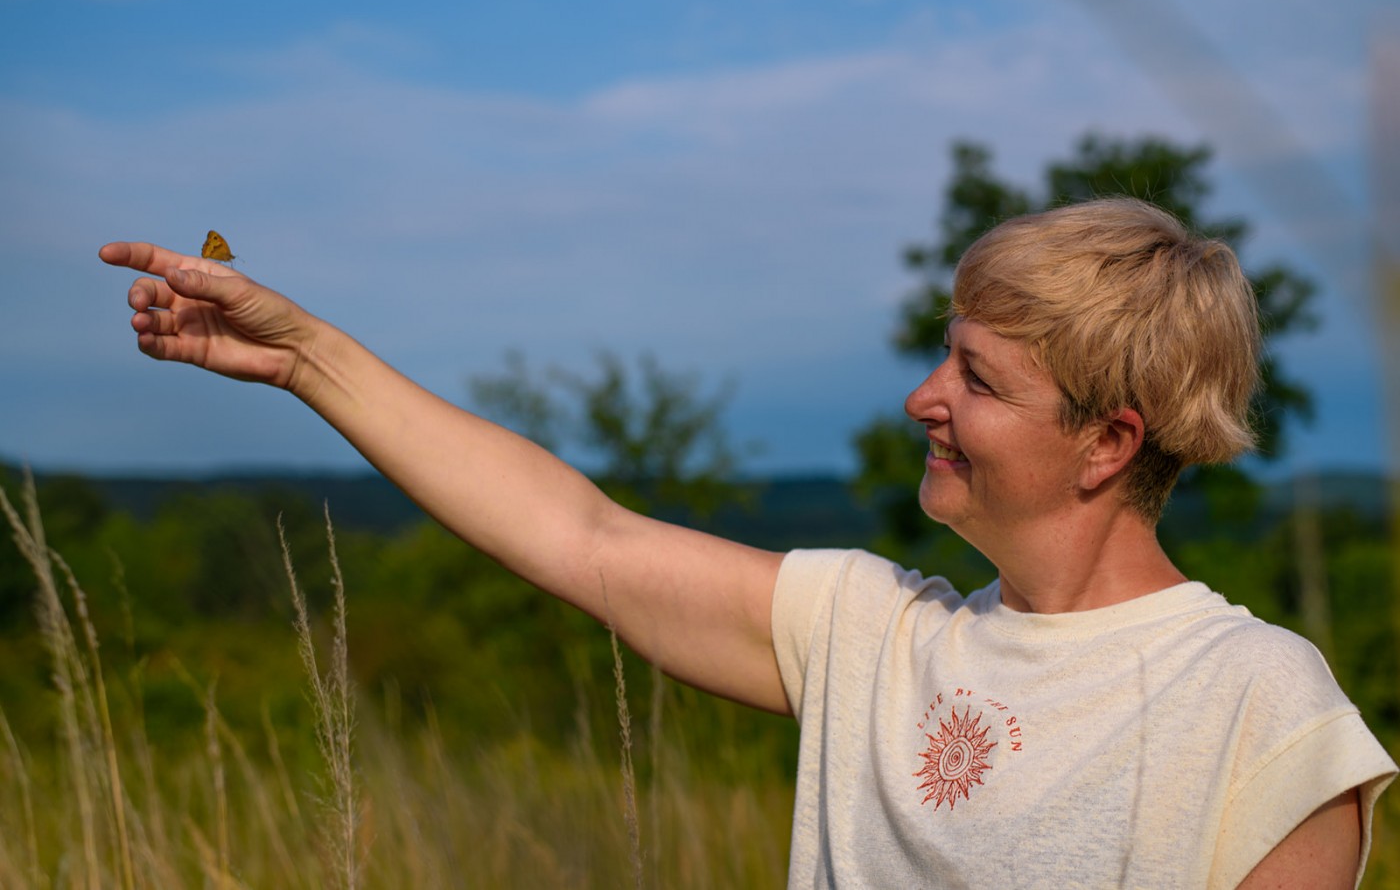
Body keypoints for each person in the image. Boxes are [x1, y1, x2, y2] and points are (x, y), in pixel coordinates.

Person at [103, 197, 1395, 888]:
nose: (923, 398)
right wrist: (307, 358)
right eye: (946, 352)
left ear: (1109, 444)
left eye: (981, 381)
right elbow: (579, 534)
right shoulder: (870, 631)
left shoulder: (1259, 705)